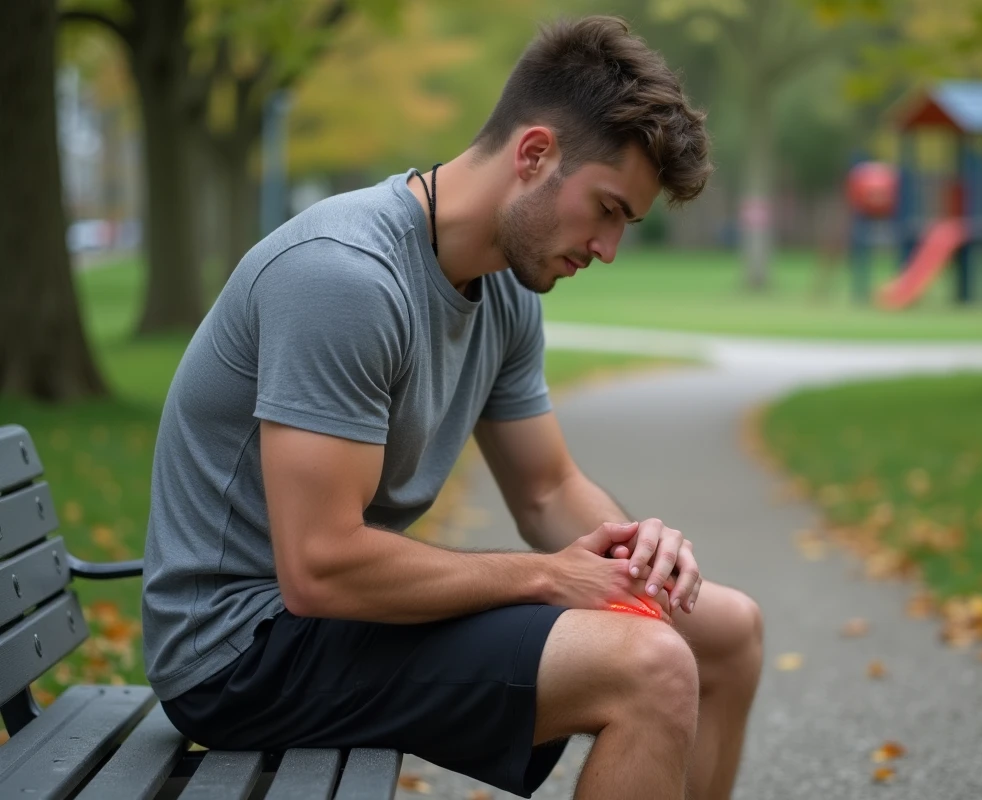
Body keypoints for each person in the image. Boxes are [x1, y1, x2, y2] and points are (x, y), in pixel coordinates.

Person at [141, 15, 763, 800]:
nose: (608, 249)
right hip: (240, 651)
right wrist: (548, 578)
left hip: (331, 621)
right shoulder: (344, 277)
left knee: (727, 632)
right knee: (650, 667)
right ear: (534, 155)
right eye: (607, 209)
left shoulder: (506, 290)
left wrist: (637, 555)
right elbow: (321, 567)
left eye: (625, 225)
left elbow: (547, 490)